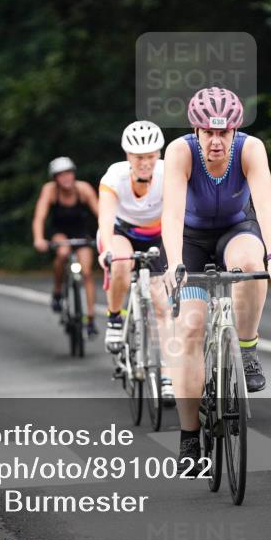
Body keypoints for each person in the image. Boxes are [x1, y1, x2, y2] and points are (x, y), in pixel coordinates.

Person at [161, 87, 271, 466]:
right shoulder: (180, 152)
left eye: (224, 133)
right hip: (190, 240)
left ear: (235, 132)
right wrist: (174, 264)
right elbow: (171, 213)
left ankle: (247, 350)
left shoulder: (252, 149)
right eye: (208, 133)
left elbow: (266, 205)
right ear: (196, 131)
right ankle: (189, 436)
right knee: (190, 328)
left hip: (237, 230)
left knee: (251, 266)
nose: (216, 141)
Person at [97, 121, 175, 405]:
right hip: (122, 232)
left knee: (162, 304)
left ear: (159, 153)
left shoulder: (169, 172)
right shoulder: (114, 176)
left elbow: (179, 215)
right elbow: (105, 219)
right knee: (119, 261)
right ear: (127, 156)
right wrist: (106, 249)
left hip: (158, 234)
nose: (145, 162)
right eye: (138, 156)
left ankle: (168, 376)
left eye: (151, 155)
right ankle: (115, 317)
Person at [32, 157, 99, 337]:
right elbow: (39, 217)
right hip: (60, 233)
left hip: (81, 233)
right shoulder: (50, 191)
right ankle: (57, 291)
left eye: (68, 173)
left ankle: (90, 318)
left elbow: (101, 213)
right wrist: (39, 239)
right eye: (60, 175)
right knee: (62, 253)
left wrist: (107, 235)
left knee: (86, 272)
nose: (66, 178)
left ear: (73, 174)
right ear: (55, 178)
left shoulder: (83, 189)